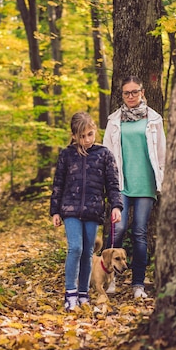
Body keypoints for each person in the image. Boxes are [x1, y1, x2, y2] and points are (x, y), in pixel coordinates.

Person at [50, 112, 123, 311]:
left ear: (95, 131)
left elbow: (113, 184)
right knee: (75, 248)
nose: (87, 140)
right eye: (82, 136)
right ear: (74, 135)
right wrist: (55, 211)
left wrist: (116, 206)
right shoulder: (66, 154)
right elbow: (58, 183)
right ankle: (70, 294)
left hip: (93, 210)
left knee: (87, 252)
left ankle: (83, 293)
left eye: (90, 134)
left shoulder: (104, 154)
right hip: (70, 209)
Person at [103, 75, 166, 299]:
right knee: (118, 230)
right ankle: (110, 280)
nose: (130, 96)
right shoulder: (114, 121)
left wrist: (163, 179)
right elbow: (107, 154)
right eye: (126, 93)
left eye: (134, 92)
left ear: (142, 93)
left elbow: (161, 154)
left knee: (139, 232)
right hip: (121, 184)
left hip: (146, 183)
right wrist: (108, 184)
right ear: (122, 95)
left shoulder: (154, 120)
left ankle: (138, 283)